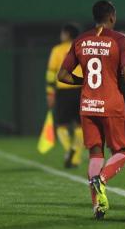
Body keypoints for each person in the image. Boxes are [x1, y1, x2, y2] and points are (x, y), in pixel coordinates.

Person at [58, 0, 125, 219]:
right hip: (111, 103)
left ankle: (97, 205)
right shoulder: (120, 39)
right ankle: (101, 179)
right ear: (112, 16)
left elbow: (62, 76)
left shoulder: (80, 39)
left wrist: (83, 83)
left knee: (95, 152)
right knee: (121, 151)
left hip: (88, 104)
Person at [45, 23, 84, 168]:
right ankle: (76, 157)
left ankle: (69, 149)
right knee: (81, 125)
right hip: (81, 89)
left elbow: (51, 72)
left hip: (63, 91)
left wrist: (50, 93)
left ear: (67, 34)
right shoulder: (82, 48)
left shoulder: (57, 50)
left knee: (61, 124)